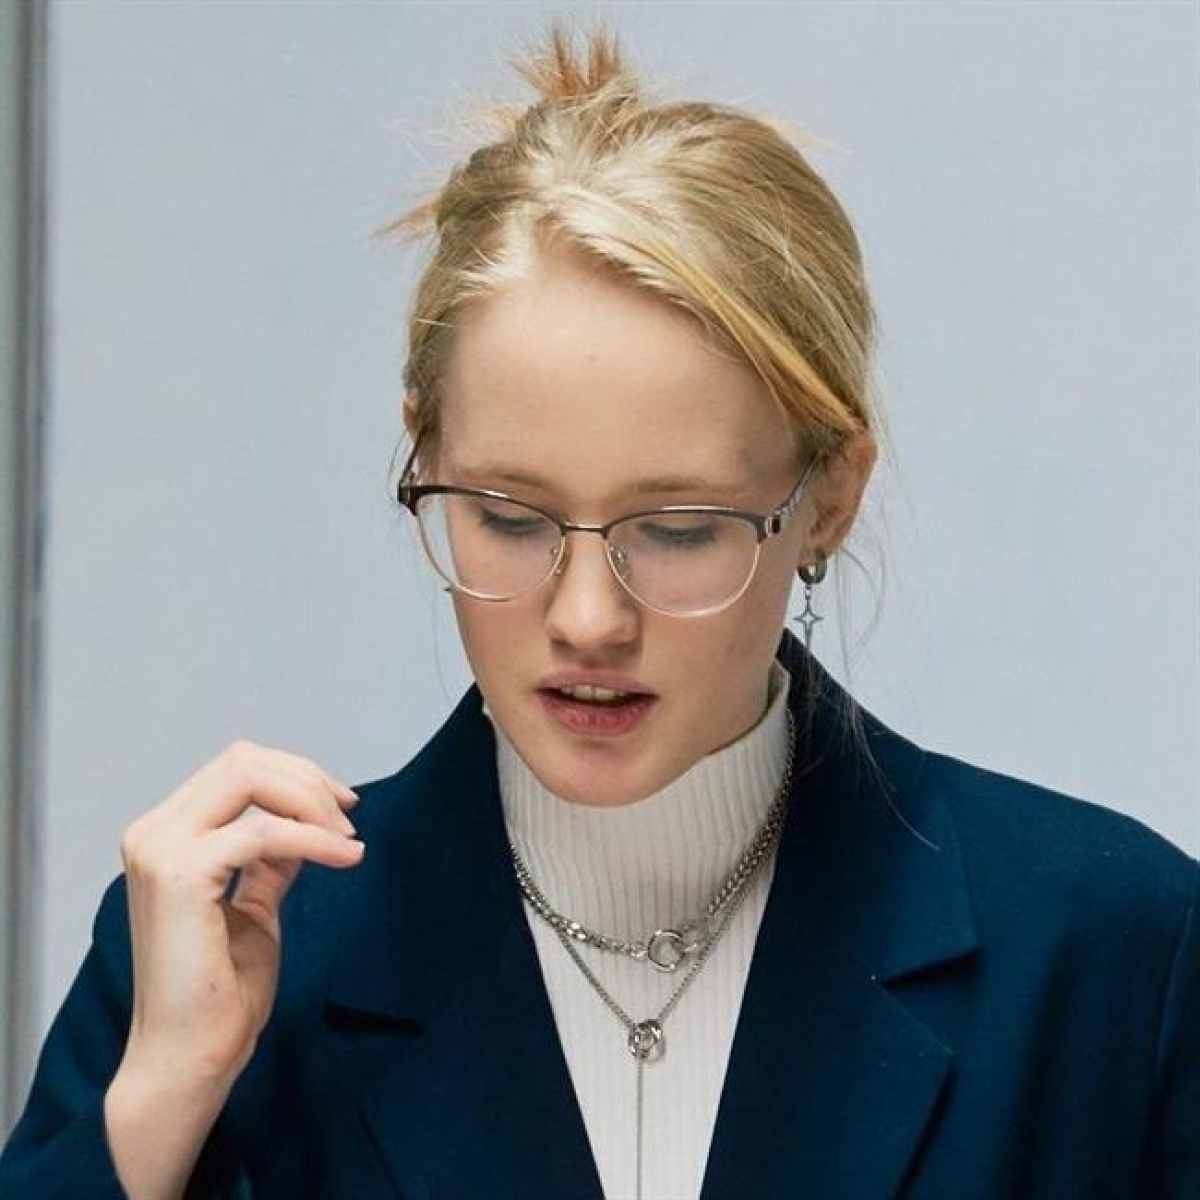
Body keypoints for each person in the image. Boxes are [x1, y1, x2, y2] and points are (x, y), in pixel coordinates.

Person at [2, 19, 1196, 1200]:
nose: (586, 620)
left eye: (677, 531)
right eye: (508, 517)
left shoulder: (1112, 958)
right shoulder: (225, 958)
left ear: (830, 497)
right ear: (423, 454)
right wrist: (159, 1103)